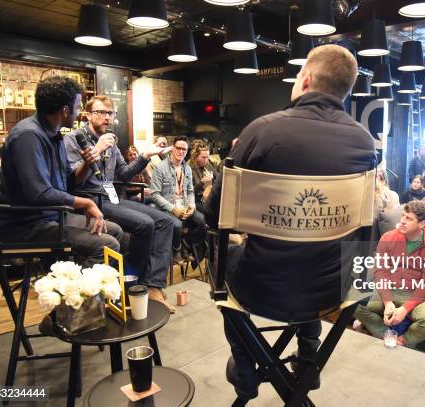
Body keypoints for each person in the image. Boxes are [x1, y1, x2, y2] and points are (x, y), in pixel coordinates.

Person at [203, 44, 376, 405]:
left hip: (264, 288)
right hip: (331, 288)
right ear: (346, 90)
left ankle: (246, 371)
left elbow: (215, 213)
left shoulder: (263, 131)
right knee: (314, 252)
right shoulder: (363, 141)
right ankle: (308, 362)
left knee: (221, 262)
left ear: (307, 79)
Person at [0, 76, 122, 266]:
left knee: (115, 230)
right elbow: (39, 194)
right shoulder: (28, 136)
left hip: (52, 215)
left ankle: (89, 288)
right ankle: (77, 294)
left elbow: (67, 184)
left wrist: (86, 164)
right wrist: (86, 203)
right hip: (24, 224)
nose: (78, 113)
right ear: (65, 110)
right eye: (77, 107)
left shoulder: (55, 136)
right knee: (105, 244)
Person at [64, 95, 175, 312]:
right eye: (101, 112)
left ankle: (151, 285)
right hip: (89, 199)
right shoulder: (74, 139)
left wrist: (144, 156)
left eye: (110, 113)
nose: (106, 117)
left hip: (112, 197)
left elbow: (123, 174)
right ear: (88, 115)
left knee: (166, 221)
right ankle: (131, 282)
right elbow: (71, 181)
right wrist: (96, 150)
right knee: (145, 224)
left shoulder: (111, 140)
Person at [354, 201, 425, 348]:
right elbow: (381, 271)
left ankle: (403, 340)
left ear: (422, 224)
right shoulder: (388, 237)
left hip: (416, 292)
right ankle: (383, 332)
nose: (402, 221)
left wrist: (405, 309)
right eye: (403, 216)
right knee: (349, 301)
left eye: (409, 218)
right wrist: (388, 301)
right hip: (388, 288)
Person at [150, 136, 206, 263]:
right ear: (172, 149)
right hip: (167, 207)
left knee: (203, 222)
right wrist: (173, 209)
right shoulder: (160, 168)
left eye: (184, 149)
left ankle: (186, 243)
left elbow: (190, 191)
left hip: (184, 205)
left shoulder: (187, 168)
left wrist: (192, 206)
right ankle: (177, 249)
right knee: (177, 225)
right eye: (178, 148)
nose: (181, 152)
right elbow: (154, 194)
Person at [189, 142, 218, 210]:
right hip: (195, 200)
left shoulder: (207, 165)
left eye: (207, 157)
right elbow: (189, 193)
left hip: (207, 197)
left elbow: (218, 177)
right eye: (203, 157)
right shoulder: (188, 169)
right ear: (195, 157)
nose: (206, 160)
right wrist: (201, 183)